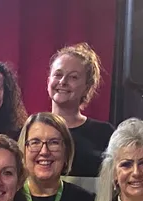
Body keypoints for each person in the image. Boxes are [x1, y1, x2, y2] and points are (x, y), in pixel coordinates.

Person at [46, 43, 115, 184]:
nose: (63, 81)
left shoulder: (105, 133)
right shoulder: (32, 130)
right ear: (48, 81)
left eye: (73, 77)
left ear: (87, 87)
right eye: (58, 74)